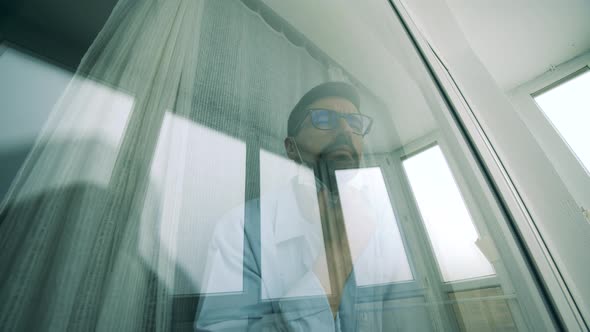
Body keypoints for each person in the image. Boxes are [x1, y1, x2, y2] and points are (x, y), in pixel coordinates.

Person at [195, 82, 406, 331]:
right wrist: (337, 257)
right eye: (324, 119)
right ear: (291, 148)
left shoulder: (383, 223)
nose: (346, 129)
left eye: (355, 122)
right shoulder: (241, 230)